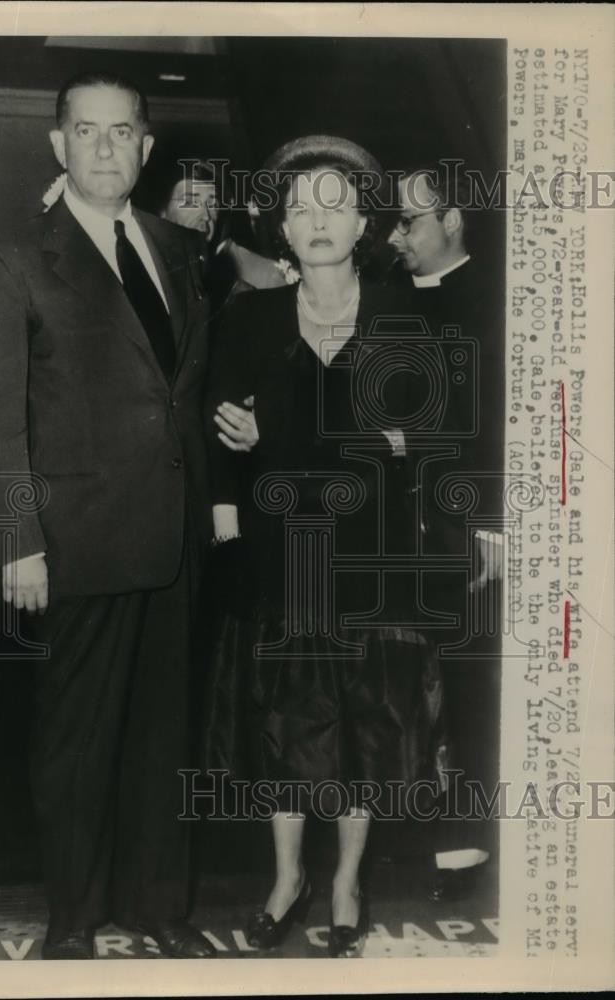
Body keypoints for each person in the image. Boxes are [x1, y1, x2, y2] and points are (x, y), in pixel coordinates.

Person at [0, 71, 217, 959]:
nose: (106, 148)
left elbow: (182, 395)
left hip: (172, 538)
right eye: (86, 131)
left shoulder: (179, 249)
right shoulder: (10, 257)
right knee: (75, 742)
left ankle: (155, 905)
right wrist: (16, 540)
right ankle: (71, 919)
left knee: (160, 736)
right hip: (73, 542)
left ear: (147, 146)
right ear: (58, 144)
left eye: (123, 132)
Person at [204, 136, 449, 958]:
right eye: (299, 206)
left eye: (333, 205)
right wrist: (242, 452)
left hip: (370, 559)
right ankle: (286, 880)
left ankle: (344, 880)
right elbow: (223, 433)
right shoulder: (248, 316)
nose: (316, 220)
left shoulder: (404, 316)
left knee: (362, 728)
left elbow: (429, 437)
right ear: (280, 224)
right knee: (284, 724)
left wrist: (296, 438)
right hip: (281, 555)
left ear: (363, 223)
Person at [386, 164, 504, 899]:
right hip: (397, 526)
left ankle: (465, 845)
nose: (396, 236)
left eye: (410, 222)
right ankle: (415, 833)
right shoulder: (391, 301)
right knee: (405, 684)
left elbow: (498, 421)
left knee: (463, 685)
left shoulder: (495, 301)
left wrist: (492, 527)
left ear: (452, 222)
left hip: (466, 525)